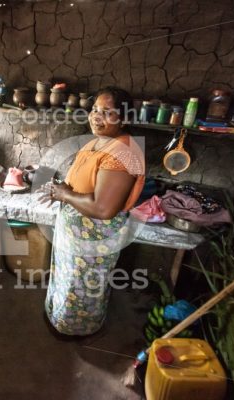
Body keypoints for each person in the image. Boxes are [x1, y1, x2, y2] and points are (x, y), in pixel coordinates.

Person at [38, 87, 145, 336]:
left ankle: (75, 330)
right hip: (75, 238)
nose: (97, 116)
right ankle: (59, 319)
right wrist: (62, 189)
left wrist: (64, 194)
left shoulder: (123, 154)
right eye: (95, 109)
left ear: (125, 118)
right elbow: (83, 183)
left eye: (107, 112)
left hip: (92, 240)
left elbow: (104, 208)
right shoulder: (98, 142)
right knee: (67, 282)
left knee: (81, 289)